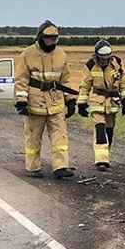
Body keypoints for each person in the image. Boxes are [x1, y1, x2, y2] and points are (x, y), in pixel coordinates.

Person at [14, 20, 77, 179]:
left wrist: (70, 101)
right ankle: (33, 167)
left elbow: (66, 80)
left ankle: (60, 167)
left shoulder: (61, 55)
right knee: (33, 137)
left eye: (55, 38)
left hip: (56, 103)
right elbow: (21, 80)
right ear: (41, 37)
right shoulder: (27, 54)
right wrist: (22, 101)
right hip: (35, 104)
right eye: (49, 38)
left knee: (59, 137)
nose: (52, 41)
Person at [76, 40, 125, 171]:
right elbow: (85, 86)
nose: (104, 61)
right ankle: (101, 160)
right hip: (97, 101)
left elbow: (124, 83)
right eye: (102, 58)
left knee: (109, 130)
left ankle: (106, 154)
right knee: (100, 130)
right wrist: (82, 104)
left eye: (107, 58)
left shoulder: (117, 63)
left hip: (112, 103)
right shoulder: (90, 65)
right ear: (97, 56)